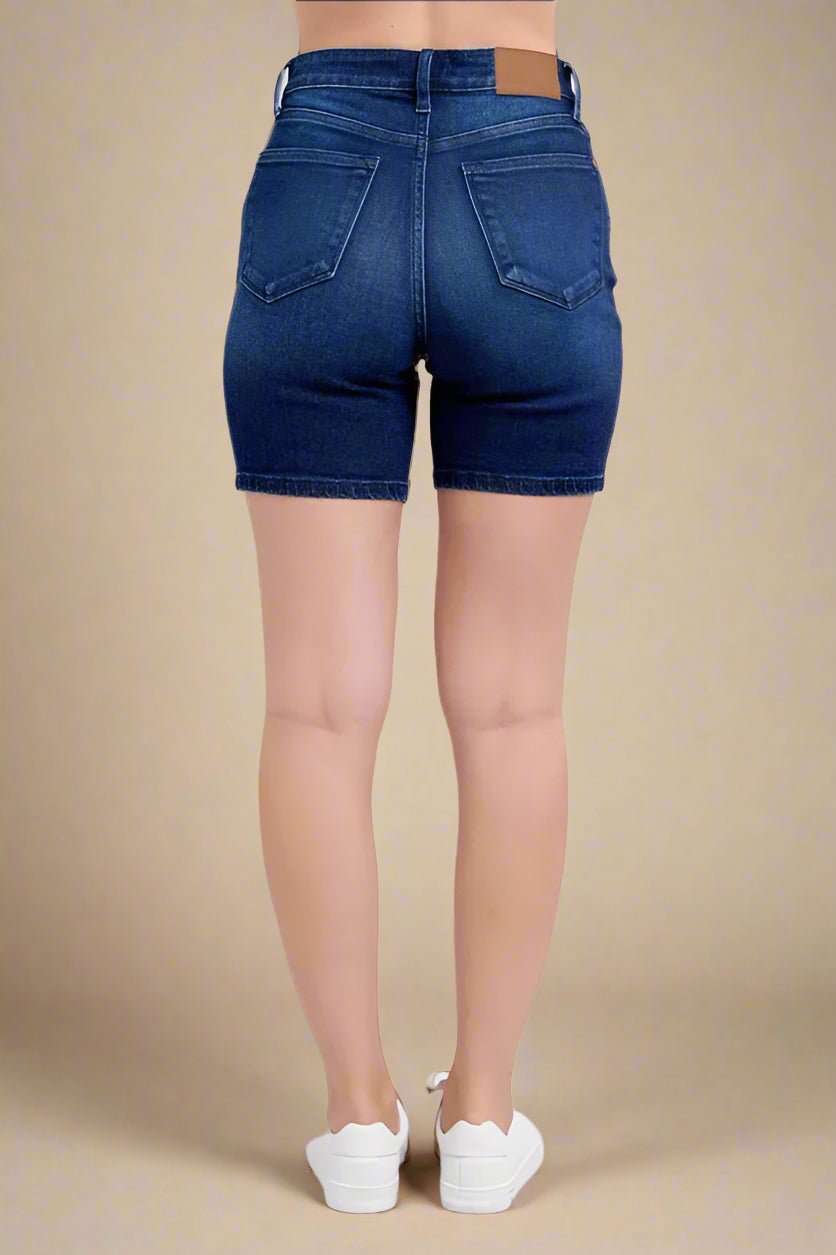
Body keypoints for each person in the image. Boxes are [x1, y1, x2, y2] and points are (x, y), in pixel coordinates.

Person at [222, 0, 622, 1214]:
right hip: (523, 141)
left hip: (326, 148)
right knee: (511, 707)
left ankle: (356, 1114)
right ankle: (484, 1116)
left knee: (315, 709)